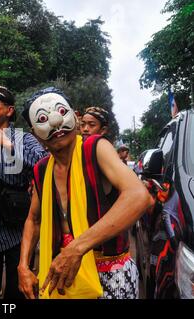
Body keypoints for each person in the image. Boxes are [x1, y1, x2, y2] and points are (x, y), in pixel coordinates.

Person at [18, 87, 152, 299]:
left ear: (75, 116)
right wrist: (23, 266)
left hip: (109, 276)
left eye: (61, 112)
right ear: (35, 133)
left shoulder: (96, 148)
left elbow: (139, 196)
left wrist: (76, 248)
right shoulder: (42, 170)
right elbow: (34, 220)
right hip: (65, 276)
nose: (55, 122)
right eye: (43, 118)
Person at [0, 85, 46, 299]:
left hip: (18, 228)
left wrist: (7, 143)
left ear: (9, 110)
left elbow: (43, 166)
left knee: (18, 291)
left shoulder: (24, 139)